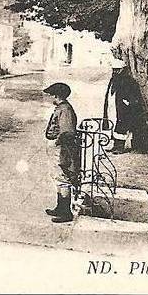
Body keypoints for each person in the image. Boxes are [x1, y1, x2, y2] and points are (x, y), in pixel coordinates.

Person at [43, 82, 80, 224]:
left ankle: (66, 212)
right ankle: (60, 207)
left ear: (57, 95)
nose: (49, 97)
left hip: (61, 149)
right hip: (57, 147)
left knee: (62, 178)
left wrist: (56, 143)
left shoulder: (64, 110)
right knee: (57, 177)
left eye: (51, 95)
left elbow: (68, 132)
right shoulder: (62, 108)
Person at [108, 58, 143, 153]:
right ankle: (115, 145)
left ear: (123, 70)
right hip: (114, 107)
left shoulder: (128, 81)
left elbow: (133, 95)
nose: (115, 72)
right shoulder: (113, 80)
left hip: (124, 109)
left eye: (117, 70)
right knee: (114, 125)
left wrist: (127, 102)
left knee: (122, 127)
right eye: (114, 70)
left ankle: (120, 147)